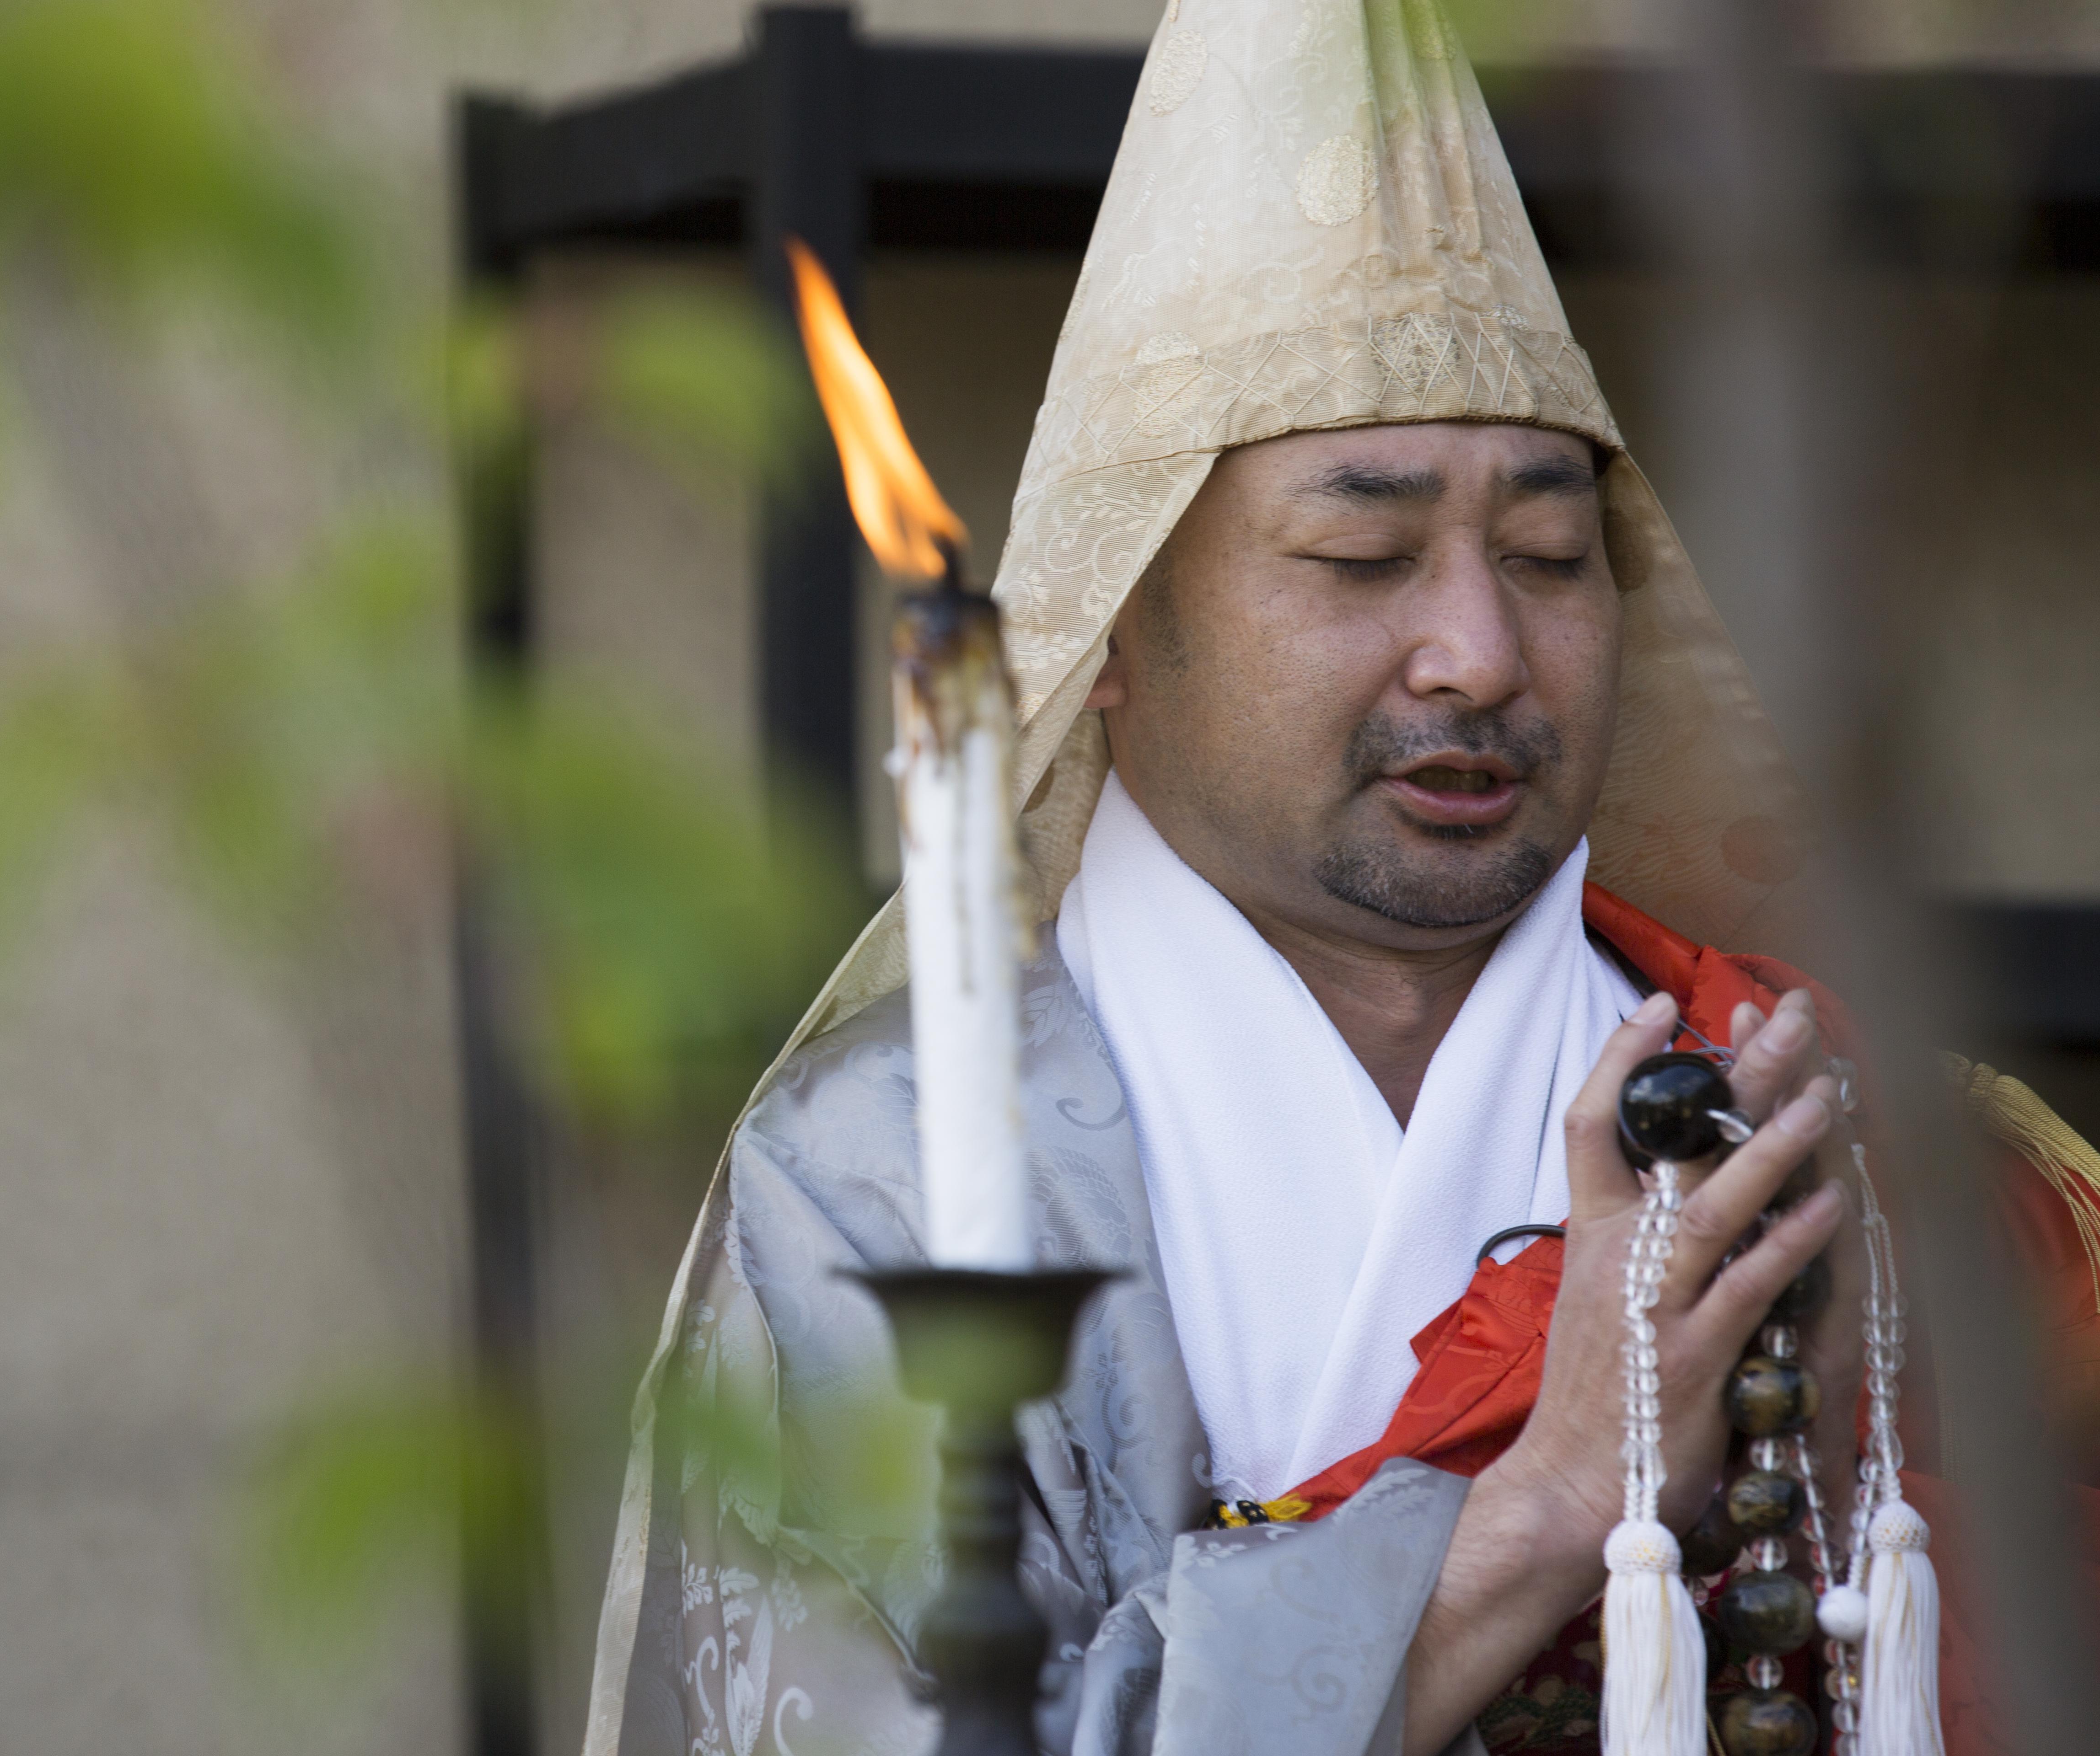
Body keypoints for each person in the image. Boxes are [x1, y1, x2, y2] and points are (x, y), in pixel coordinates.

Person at [580, 4, 2100, 1754]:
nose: (1479, 652)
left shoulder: (1824, 1137)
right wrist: (1541, 1508)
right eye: (1364, 554)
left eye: (1551, 553)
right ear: (1113, 634)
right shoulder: (877, 1184)